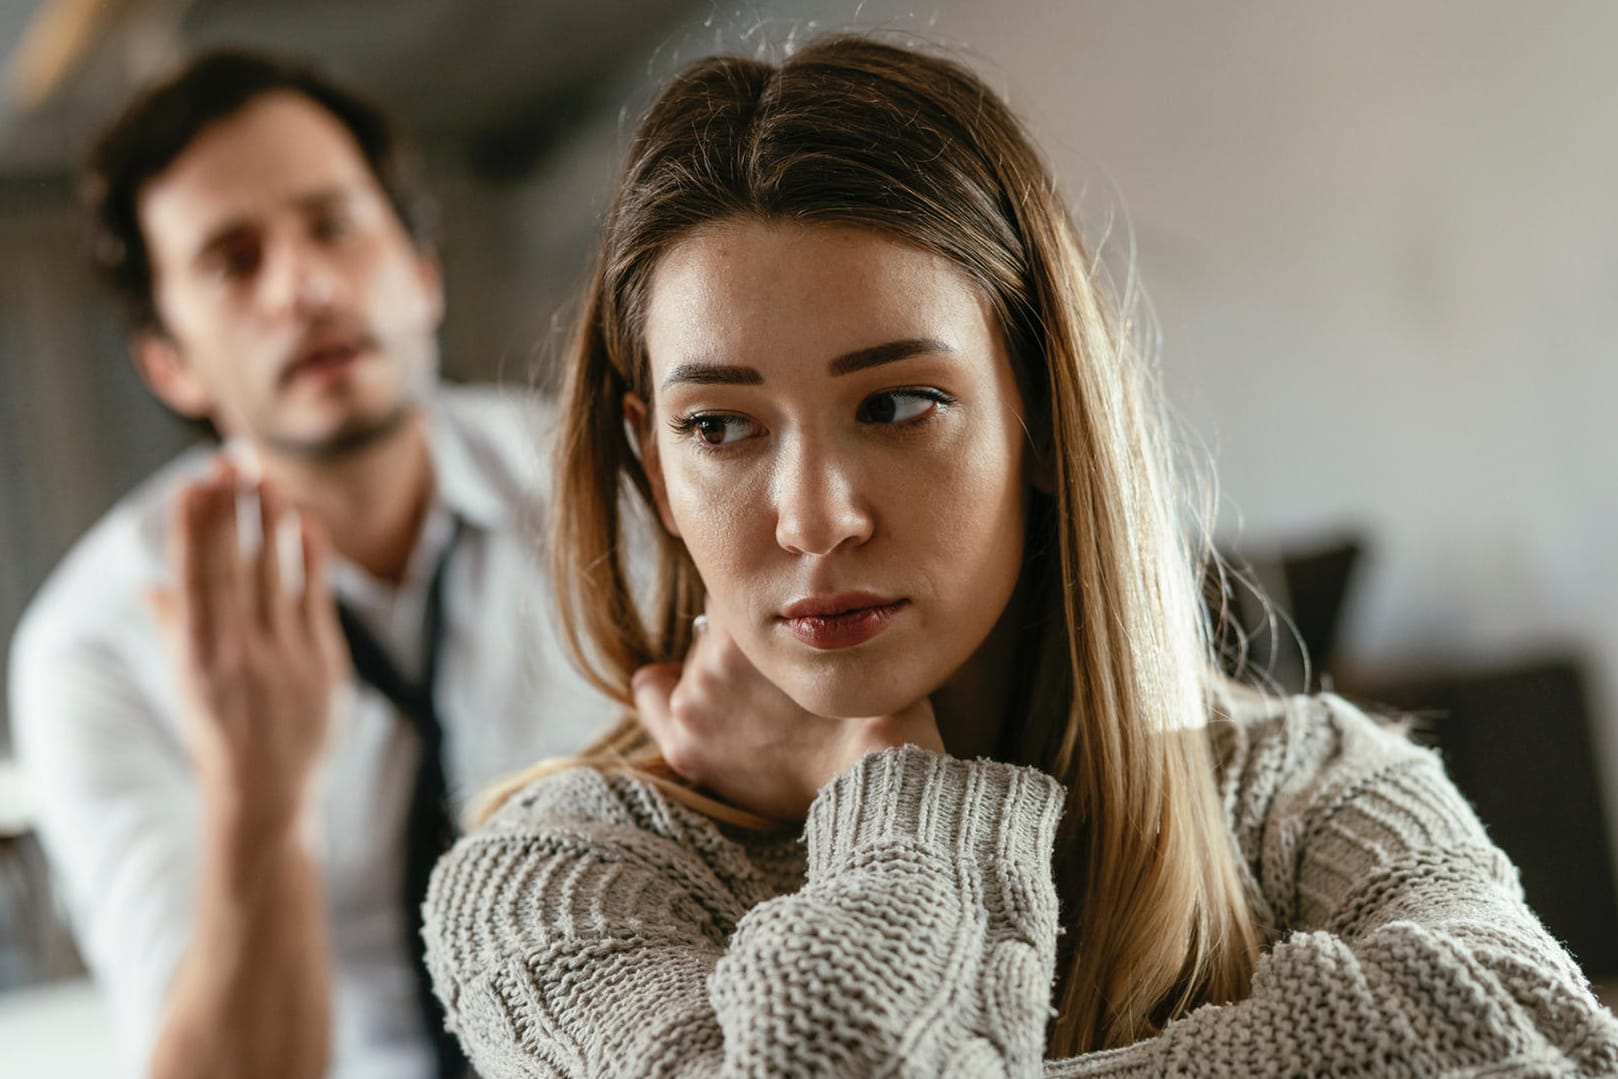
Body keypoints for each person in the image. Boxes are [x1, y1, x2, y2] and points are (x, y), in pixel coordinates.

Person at [418, 34, 1618, 1076]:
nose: (814, 516)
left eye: (895, 405)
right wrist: (893, 783)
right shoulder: (555, 880)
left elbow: (1541, 1044)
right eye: (721, 426)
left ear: (1042, 413)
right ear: (650, 464)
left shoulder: (1306, 789)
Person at [8, 50, 613, 1078]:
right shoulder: (91, 651)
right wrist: (260, 795)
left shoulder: (608, 492)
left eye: (335, 223)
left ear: (421, 272)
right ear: (170, 360)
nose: (306, 286)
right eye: (233, 259)